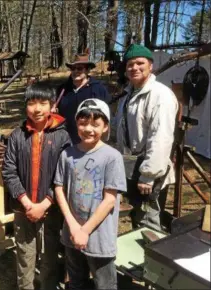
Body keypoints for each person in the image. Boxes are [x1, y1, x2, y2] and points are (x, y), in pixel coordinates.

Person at [2, 82, 71, 290]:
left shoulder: (62, 136)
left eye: (43, 103)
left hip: (50, 209)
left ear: (52, 105)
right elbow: (8, 170)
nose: (37, 109)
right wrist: (26, 202)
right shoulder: (16, 135)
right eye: (32, 103)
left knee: (49, 254)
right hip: (22, 209)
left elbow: (64, 175)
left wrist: (45, 203)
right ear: (26, 106)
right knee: (25, 253)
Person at [54, 99, 127, 290]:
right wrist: (73, 226)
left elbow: (110, 200)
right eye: (83, 123)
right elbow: (59, 188)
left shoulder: (112, 157)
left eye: (95, 124)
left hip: (99, 237)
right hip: (72, 233)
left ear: (105, 127)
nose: (88, 129)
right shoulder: (67, 155)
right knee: (76, 280)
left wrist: (84, 231)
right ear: (76, 124)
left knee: (105, 284)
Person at [114, 44, 178, 230]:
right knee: (137, 219)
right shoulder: (128, 96)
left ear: (150, 65)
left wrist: (148, 175)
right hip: (131, 167)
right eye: (130, 65)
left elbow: (161, 137)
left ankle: (151, 259)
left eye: (140, 63)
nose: (134, 68)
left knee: (148, 222)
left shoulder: (160, 95)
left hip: (147, 171)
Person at [55, 52, 112, 144]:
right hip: (66, 140)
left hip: (90, 139)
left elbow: (105, 117)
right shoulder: (62, 89)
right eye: (73, 68)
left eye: (80, 68)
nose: (75, 71)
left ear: (87, 70)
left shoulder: (98, 89)